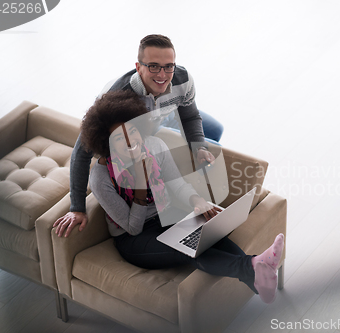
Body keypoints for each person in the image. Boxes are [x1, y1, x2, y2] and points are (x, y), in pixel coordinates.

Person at [77, 90, 283, 303]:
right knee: (190, 248)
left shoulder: (155, 146)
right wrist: (140, 187)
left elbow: (176, 184)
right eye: (119, 137)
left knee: (212, 234)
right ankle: (257, 266)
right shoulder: (100, 178)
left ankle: (258, 273)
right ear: (106, 143)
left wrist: (197, 201)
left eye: (132, 131)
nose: (130, 141)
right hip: (134, 240)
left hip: (166, 215)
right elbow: (133, 228)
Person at [55, 34, 223, 237]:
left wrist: (200, 148)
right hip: (144, 127)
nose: (162, 74)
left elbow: (189, 116)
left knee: (215, 130)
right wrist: (77, 207)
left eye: (169, 66)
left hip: (164, 111)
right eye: (153, 66)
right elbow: (81, 153)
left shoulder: (182, 78)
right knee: (210, 140)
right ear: (138, 67)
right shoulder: (117, 98)